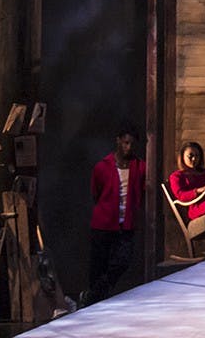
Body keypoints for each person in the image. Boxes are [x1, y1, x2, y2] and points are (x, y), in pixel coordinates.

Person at [83, 122, 145, 307]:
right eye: (125, 143)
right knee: (98, 264)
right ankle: (94, 302)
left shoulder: (140, 167)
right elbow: (96, 192)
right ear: (118, 141)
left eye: (132, 144)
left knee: (122, 261)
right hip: (103, 223)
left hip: (126, 223)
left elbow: (142, 191)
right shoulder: (103, 166)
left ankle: (93, 295)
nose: (128, 147)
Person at [168, 141, 205, 222]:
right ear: (182, 157)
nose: (194, 159)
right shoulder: (177, 176)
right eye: (190, 156)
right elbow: (181, 195)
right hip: (197, 208)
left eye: (197, 156)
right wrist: (199, 190)